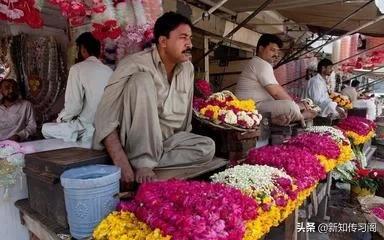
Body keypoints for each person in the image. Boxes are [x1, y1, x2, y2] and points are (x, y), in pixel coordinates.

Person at [93, 12, 215, 184]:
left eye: (190, 38)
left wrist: (183, 145)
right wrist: (121, 162)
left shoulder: (188, 69)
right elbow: (104, 116)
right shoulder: (133, 64)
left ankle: (149, 162)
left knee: (207, 147)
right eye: (183, 37)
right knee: (142, 80)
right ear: (163, 41)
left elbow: (185, 121)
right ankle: (142, 161)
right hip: (137, 141)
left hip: (169, 143)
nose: (189, 44)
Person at [42, 32, 113, 143]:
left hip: (87, 128)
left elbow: (74, 106)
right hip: (108, 128)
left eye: (77, 49)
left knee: (45, 128)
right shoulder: (109, 70)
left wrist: (60, 119)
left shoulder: (77, 68)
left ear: (83, 49)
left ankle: (77, 137)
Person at [235, 34, 313, 126]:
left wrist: (298, 105)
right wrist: (297, 106)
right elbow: (276, 92)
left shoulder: (259, 63)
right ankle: (302, 116)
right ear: (261, 49)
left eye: (277, 51)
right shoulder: (261, 64)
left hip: (258, 106)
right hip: (251, 108)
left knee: (290, 106)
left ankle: (279, 118)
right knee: (290, 107)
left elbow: (277, 90)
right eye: (272, 50)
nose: (276, 55)